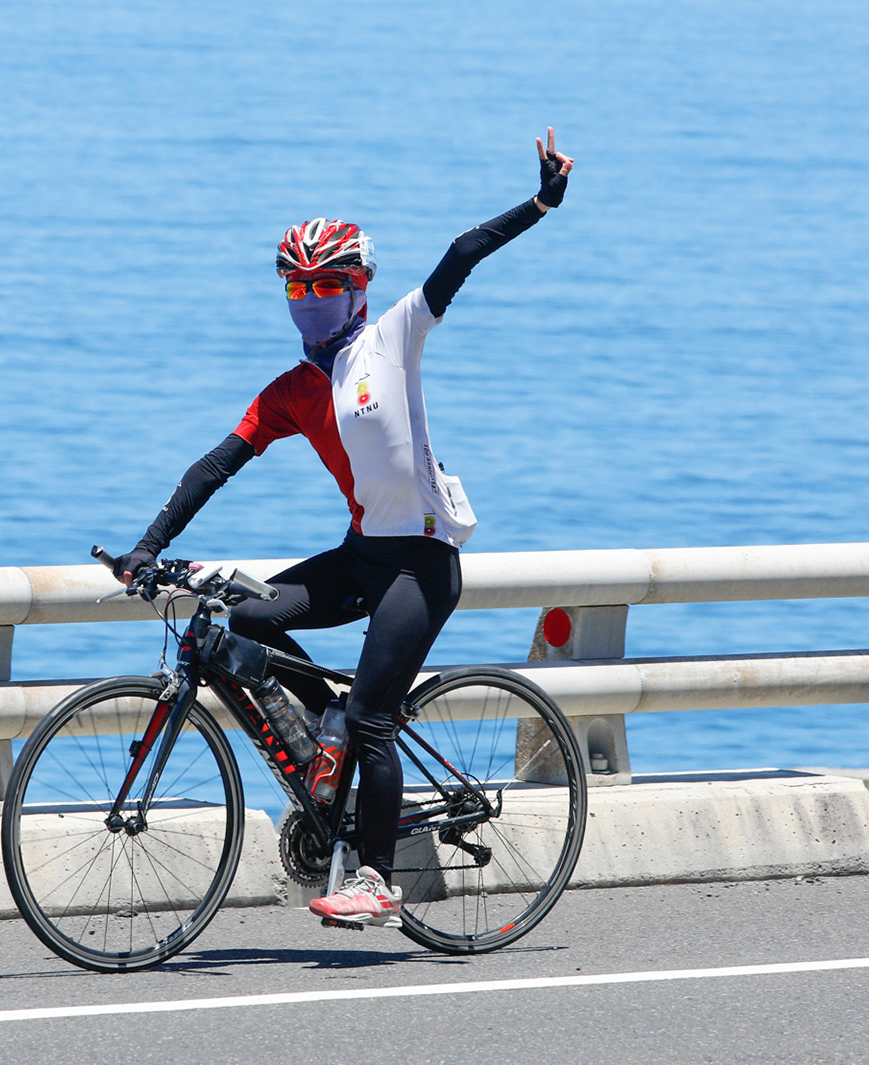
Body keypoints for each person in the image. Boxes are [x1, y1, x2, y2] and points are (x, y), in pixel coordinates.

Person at [108, 129, 575, 926]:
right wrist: (147, 546)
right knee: (243, 621)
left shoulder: (392, 339)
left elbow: (460, 254)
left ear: (357, 291)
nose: (310, 304)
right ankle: (327, 729)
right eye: (297, 291)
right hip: (362, 557)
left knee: (370, 717)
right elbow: (217, 464)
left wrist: (538, 203)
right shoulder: (292, 389)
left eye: (324, 289)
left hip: (419, 567)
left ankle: (378, 880)